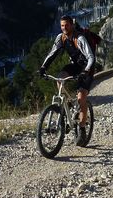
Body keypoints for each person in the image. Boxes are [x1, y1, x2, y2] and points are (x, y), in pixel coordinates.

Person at [39, 15, 95, 145]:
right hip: (75, 65)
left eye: (67, 25)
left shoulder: (79, 38)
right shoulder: (61, 38)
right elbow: (52, 54)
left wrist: (86, 71)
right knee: (60, 77)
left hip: (87, 67)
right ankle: (67, 103)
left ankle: (81, 128)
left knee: (81, 97)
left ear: (72, 25)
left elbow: (91, 57)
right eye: (62, 25)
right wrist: (43, 67)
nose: (64, 28)